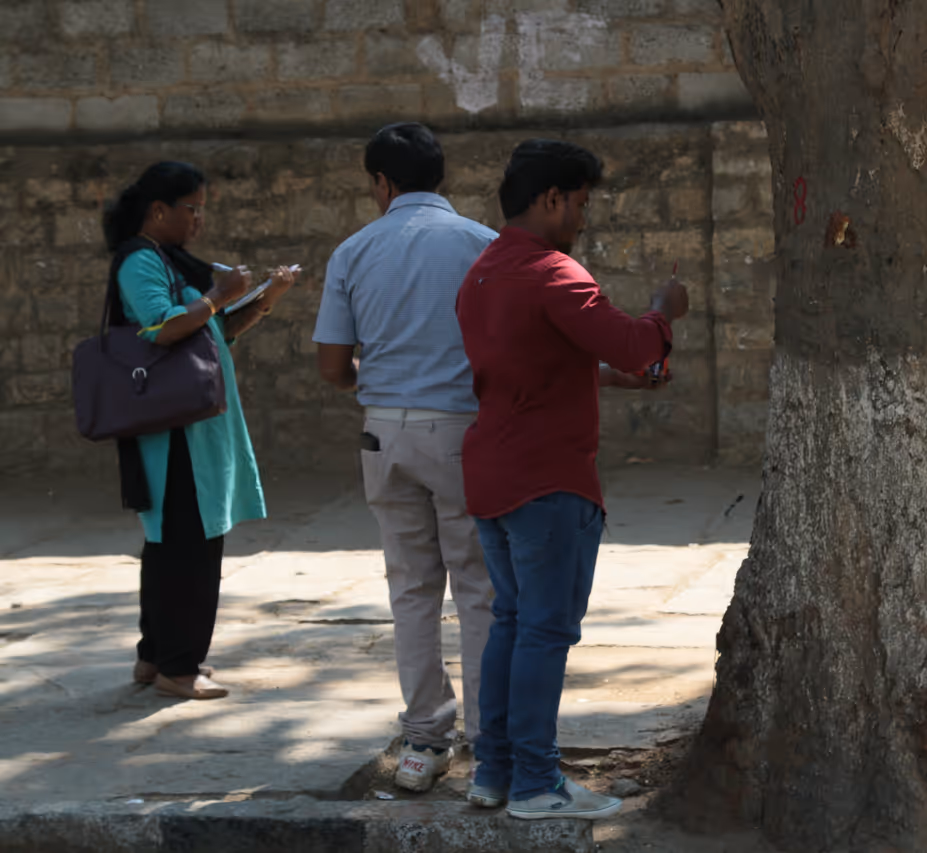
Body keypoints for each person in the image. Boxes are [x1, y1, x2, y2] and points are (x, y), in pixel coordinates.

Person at [456, 139, 689, 820]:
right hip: (547, 478)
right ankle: (536, 783)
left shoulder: (482, 274)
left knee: (512, 620)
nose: (582, 219)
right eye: (581, 204)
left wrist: (610, 371)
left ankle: (494, 771)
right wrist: (663, 310)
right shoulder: (553, 272)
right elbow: (633, 344)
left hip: (492, 472)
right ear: (552, 198)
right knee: (544, 630)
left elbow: (537, 357)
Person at [313, 123, 499, 793]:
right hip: (462, 432)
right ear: (439, 177)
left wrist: (378, 372)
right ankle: (489, 740)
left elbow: (334, 365)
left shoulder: (355, 250)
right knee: (479, 585)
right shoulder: (484, 243)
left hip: (385, 433)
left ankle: (424, 740)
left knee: (412, 589)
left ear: (381, 184)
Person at [104, 161, 296, 701]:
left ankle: (155, 657)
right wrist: (215, 293)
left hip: (192, 427)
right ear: (159, 210)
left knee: (171, 542)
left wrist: (262, 298)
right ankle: (178, 668)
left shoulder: (168, 260)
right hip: (174, 434)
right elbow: (163, 328)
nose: (199, 222)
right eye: (192, 210)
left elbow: (211, 332)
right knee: (190, 545)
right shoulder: (141, 262)